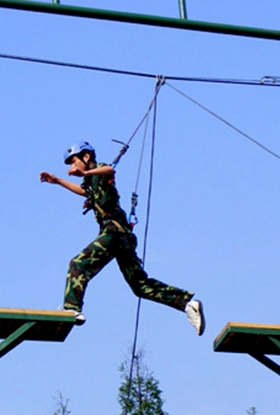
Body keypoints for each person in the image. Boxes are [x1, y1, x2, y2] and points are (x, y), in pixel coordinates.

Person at [39, 141, 205, 335]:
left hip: (113, 233)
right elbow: (85, 191)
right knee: (140, 285)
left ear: (86, 157)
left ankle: (72, 308)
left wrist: (84, 174)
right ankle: (187, 304)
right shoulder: (90, 182)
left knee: (78, 264)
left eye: (73, 161)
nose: (72, 167)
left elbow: (109, 169)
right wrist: (58, 181)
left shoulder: (99, 169)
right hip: (122, 237)